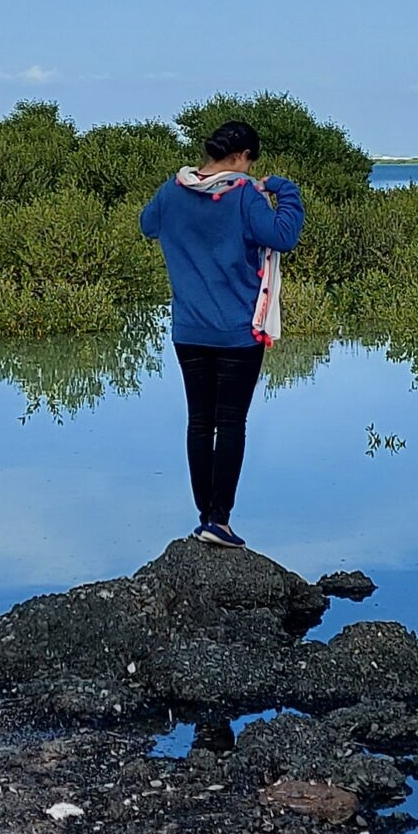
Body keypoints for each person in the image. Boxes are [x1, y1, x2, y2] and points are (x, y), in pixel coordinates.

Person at [138, 119, 304, 548]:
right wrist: (284, 191)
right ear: (242, 156)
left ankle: (205, 518)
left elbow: (147, 225)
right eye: (251, 162)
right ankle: (219, 520)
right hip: (237, 333)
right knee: (230, 423)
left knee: (199, 422)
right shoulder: (245, 194)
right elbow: (283, 237)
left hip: (188, 330)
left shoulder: (172, 189)